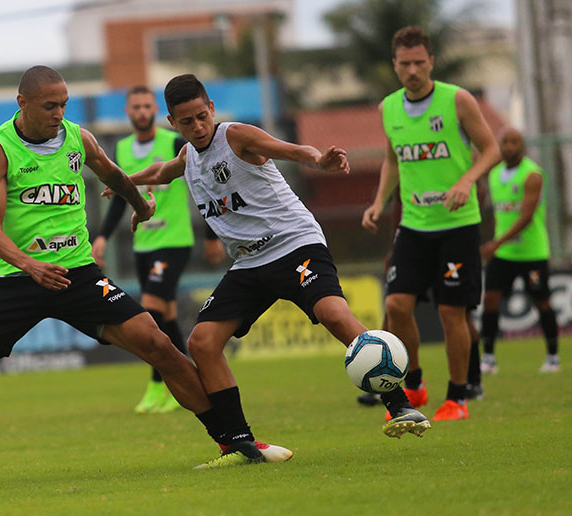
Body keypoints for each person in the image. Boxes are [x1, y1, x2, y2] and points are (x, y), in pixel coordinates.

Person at [0, 66, 291, 486]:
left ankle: (232, 442)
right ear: (22, 103)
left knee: (161, 346)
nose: (59, 113)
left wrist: (139, 204)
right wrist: (31, 266)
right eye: (49, 106)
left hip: (79, 275)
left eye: (63, 104)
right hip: (18, 278)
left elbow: (111, 173)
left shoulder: (78, 139)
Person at [105, 73, 431, 468]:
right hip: (249, 264)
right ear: (172, 123)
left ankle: (399, 404)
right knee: (202, 343)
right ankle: (240, 443)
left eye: (202, 115)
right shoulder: (189, 157)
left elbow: (291, 150)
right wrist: (124, 183)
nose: (198, 126)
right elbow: (161, 171)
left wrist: (319, 160)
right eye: (187, 121)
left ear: (210, 109)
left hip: (295, 245)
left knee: (332, 312)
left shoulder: (236, 136)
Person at [362, 26, 501, 421]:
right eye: (404, 64)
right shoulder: (388, 108)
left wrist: (467, 180)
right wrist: (378, 202)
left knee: (450, 312)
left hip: (457, 226)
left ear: (431, 63)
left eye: (419, 63)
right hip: (415, 226)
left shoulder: (457, 100)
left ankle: (456, 399)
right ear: (395, 66)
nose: (412, 71)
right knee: (396, 304)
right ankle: (416, 383)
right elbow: (392, 160)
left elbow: (490, 148)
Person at [91, 85, 226, 414]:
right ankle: (188, 382)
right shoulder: (121, 149)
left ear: (156, 110)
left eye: (146, 105)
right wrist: (103, 237)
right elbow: (121, 200)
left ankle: (158, 383)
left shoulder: (174, 143)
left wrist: (211, 235)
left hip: (175, 241)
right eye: (135, 106)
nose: (141, 111)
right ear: (127, 111)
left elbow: (203, 184)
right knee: (164, 316)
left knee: (149, 308)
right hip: (144, 245)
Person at [479, 127, 560, 374]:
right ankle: (489, 359)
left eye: (514, 142)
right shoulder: (494, 175)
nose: (509, 146)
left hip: (531, 254)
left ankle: (553, 357)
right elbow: (499, 214)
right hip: (504, 255)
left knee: (542, 302)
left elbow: (526, 217)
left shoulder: (532, 175)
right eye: (504, 142)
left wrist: (497, 242)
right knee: (490, 300)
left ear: (522, 146)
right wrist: (497, 241)